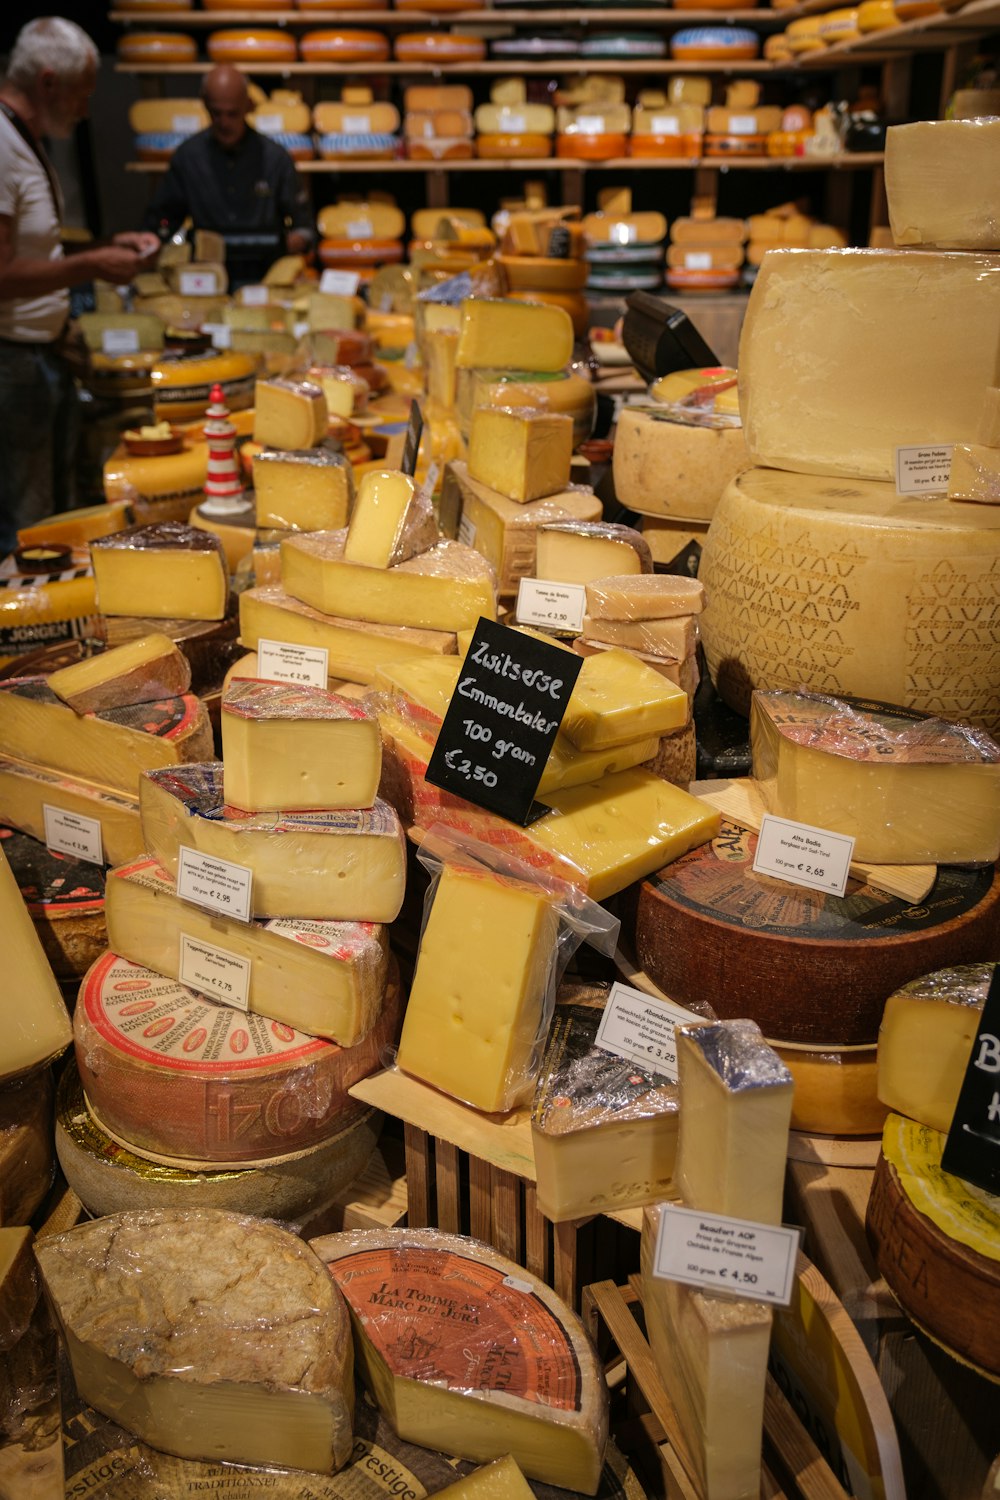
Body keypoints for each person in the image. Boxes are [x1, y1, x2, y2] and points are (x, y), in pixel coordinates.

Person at [0, 16, 160, 554]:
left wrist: (103, 246)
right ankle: (30, 633)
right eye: (81, 94)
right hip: (12, 364)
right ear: (48, 83)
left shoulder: (23, 139)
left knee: (53, 513)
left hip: (37, 357)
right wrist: (93, 267)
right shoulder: (0, 145)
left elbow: (35, 250)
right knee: (29, 527)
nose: (86, 109)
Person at [143, 66, 314, 290]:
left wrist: (296, 240)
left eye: (232, 113)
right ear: (204, 104)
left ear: (247, 106)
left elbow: (304, 225)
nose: (224, 123)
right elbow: (163, 219)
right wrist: (152, 241)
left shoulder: (275, 158)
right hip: (206, 278)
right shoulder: (188, 157)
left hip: (266, 279)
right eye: (216, 113)